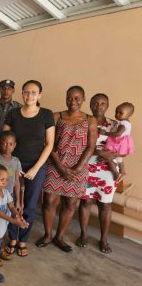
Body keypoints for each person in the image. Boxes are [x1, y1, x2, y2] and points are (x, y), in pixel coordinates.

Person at [38, 86, 97, 253]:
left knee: (70, 204)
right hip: (56, 164)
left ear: (84, 99)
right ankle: (48, 234)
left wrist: (78, 168)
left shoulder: (90, 120)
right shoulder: (56, 116)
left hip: (78, 168)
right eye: (70, 98)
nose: (73, 102)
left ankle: (60, 237)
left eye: (77, 98)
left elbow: (91, 147)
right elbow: (48, 143)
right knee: (49, 201)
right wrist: (60, 167)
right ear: (66, 98)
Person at [3, 80, 55, 257]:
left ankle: (23, 239)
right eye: (26, 92)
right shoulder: (13, 113)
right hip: (13, 164)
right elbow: (6, 140)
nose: (29, 96)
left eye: (33, 92)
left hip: (37, 166)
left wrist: (35, 169)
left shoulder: (46, 115)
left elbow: (49, 144)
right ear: (22, 93)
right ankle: (13, 237)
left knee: (30, 205)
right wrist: (12, 165)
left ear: (39, 95)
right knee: (11, 201)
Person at [77, 93, 121, 254]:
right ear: (90, 104)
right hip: (87, 167)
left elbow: (124, 148)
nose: (98, 106)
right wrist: (98, 152)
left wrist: (119, 166)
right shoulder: (84, 121)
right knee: (85, 202)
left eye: (102, 103)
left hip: (108, 171)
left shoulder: (116, 125)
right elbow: (78, 144)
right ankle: (84, 235)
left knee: (105, 204)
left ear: (107, 106)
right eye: (95, 103)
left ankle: (103, 239)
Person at [0, 131, 22, 262]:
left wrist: (18, 202)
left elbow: (17, 183)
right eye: (5, 143)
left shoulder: (16, 161)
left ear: (15, 145)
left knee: (3, 225)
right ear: (0, 143)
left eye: (11, 144)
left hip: (9, 198)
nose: (7, 146)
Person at [101, 102, 135, 180]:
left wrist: (106, 133)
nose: (117, 114)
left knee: (109, 158)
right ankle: (122, 172)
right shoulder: (127, 123)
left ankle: (115, 173)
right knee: (119, 160)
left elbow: (118, 134)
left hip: (118, 143)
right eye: (116, 112)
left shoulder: (123, 123)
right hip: (122, 143)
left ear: (128, 115)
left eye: (121, 113)